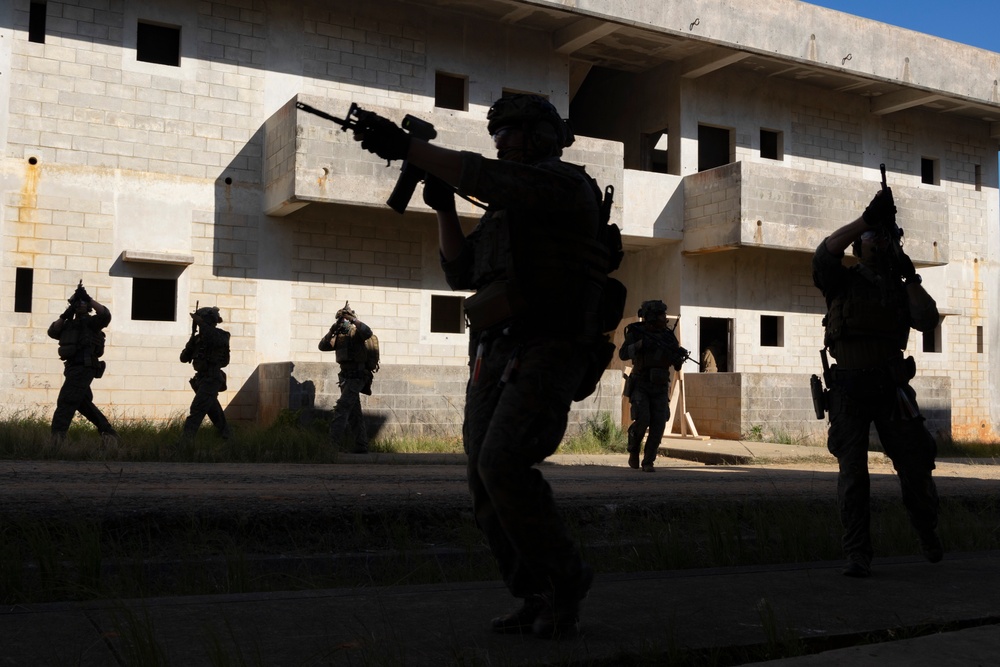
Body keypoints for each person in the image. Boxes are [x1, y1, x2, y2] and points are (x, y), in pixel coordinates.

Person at [352, 94, 617, 638]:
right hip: (495, 349)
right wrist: (446, 209)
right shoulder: (504, 211)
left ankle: (566, 582)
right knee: (480, 472)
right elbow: (460, 273)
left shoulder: (565, 186)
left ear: (548, 136)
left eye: (519, 133)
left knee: (502, 461)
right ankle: (535, 593)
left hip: (550, 343)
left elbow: (490, 177)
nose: (508, 143)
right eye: (501, 134)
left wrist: (412, 149)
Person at [812, 186, 943, 578]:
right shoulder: (841, 281)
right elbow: (825, 251)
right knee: (853, 477)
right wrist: (865, 220)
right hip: (849, 389)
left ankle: (927, 531)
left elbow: (928, 319)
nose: (877, 242)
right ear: (859, 245)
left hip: (891, 390)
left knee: (916, 467)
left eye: (883, 237)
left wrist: (910, 275)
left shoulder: (901, 287)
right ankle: (857, 554)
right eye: (871, 238)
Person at [619, 300, 687, 472]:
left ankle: (648, 461)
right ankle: (634, 450)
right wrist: (640, 345)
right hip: (641, 383)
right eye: (661, 315)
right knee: (642, 420)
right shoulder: (636, 331)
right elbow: (623, 354)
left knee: (658, 425)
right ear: (650, 317)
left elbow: (675, 363)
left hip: (661, 385)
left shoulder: (667, 336)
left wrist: (678, 358)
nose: (664, 318)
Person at [47, 282, 117, 449]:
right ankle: (110, 434)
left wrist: (89, 298)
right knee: (82, 403)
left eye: (82, 304)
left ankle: (56, 442)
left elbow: (105, 315)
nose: (80, 306)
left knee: (65, 401)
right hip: (72, 368)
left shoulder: (92, 323)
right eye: (77, 304)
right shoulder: (68, 324)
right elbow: (53, 332)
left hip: (84, 366)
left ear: (88, 308)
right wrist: (66, 313)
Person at [318, 302, 374, 454]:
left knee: (342, 408)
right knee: (354, 413)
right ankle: (361, 445)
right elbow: (322, 346)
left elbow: (368, 332)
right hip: (345, 378)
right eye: (340, 319)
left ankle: (331, 446)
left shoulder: (356, 333)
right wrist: (333, 329)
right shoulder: (339, 336)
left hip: (358, 377)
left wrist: (353, 319)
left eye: (344, 320)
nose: (343, 322)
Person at [180, 306, 231, 441]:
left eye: (201, 320)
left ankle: (185, 443)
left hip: (212, 378)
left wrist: (201, 323)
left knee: (197, 409)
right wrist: (192, 337)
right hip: (201, 379)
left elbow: (212, 337)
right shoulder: (198, 339)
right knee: (214, 412)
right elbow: (183, 358)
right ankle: (228, 438)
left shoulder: (221, 335)